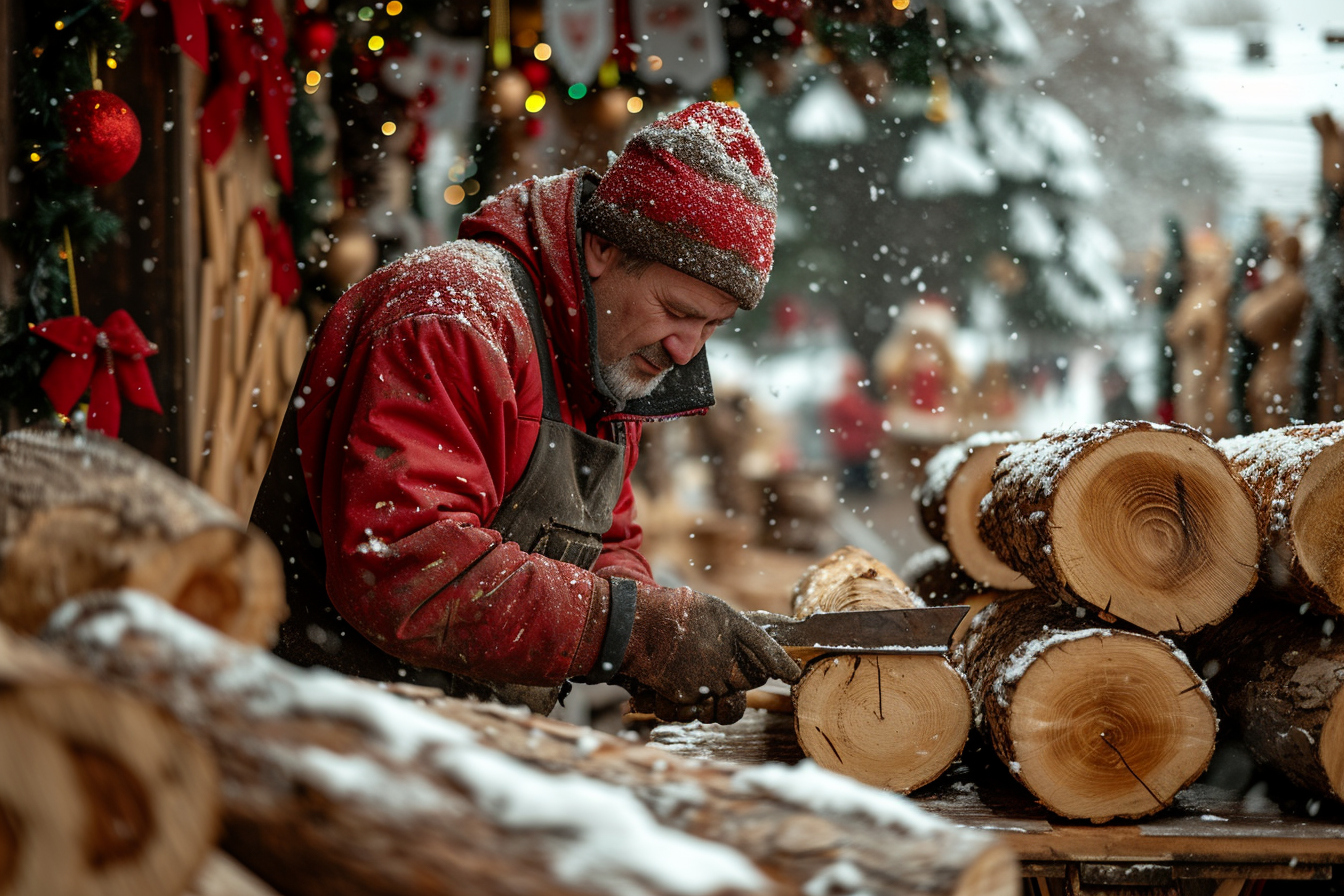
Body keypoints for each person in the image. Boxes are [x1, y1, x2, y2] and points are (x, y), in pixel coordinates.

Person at [251, 101, 800, 724]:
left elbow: (606, 544)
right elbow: (404, 565)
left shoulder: (610, 363)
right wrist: (630, 630)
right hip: (329, 732)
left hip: (458, 738)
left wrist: (666, 637)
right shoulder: (453, 321)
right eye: (676, 310)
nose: (686, 350)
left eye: (713, 325)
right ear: (602, 248)